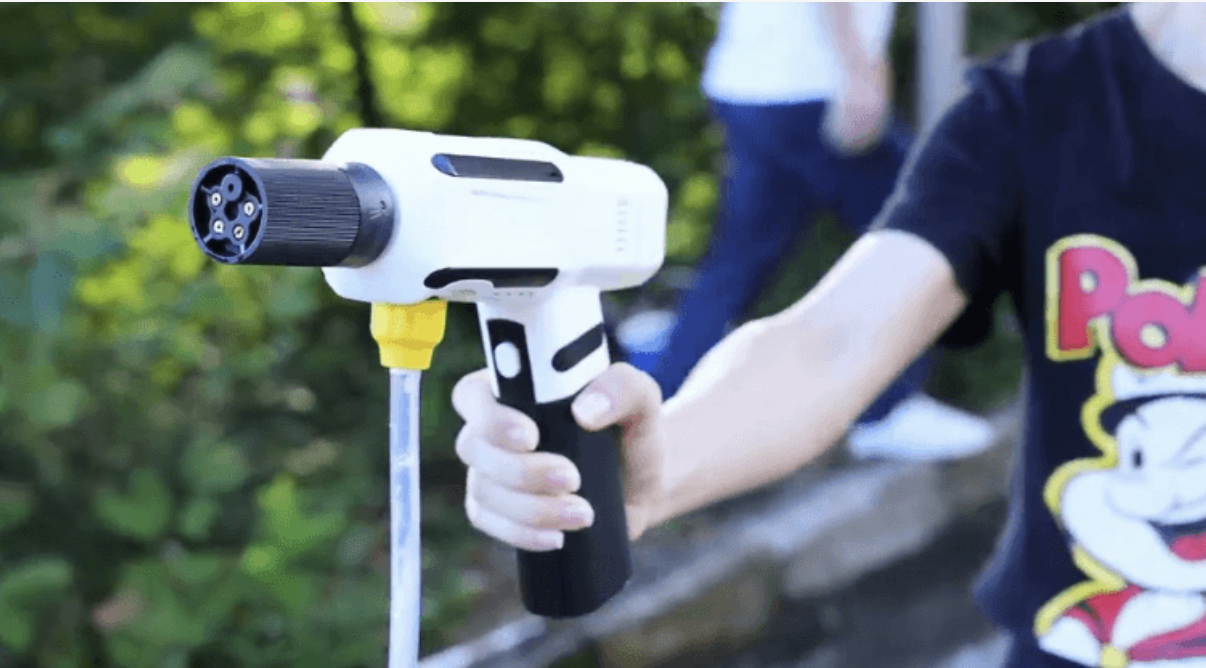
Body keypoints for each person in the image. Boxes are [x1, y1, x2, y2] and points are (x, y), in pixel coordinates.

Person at [452, 3, 1206, 667]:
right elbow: (831, 339)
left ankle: (701, 370)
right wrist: (652, 461)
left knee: (734, 263)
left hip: (754, 89)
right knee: (745, 262)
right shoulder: (1039, 106)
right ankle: (855, 408)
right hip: (1087, 640)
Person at [620, 2, 995, 460]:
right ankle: (885, 410)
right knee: (921, 234)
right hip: (812, 87)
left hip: (752, 83)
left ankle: (659, 406)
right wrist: (861, 72)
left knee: (739, 262)